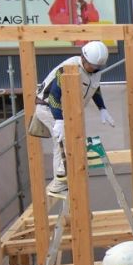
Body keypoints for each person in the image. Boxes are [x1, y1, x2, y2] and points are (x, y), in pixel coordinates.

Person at [34, 40, 116, 194]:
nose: (94, 69)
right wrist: (58, 120)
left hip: (68, 112)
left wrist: (102, 108)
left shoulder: (95, 70)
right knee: (67, 140)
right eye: (92, 66)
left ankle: (61, 181)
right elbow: (53, 96)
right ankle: (61, 180)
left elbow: (95, 88)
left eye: (98, 67)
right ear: (83, 58)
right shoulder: (69, 68)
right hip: (48, 107)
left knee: (61, 144)